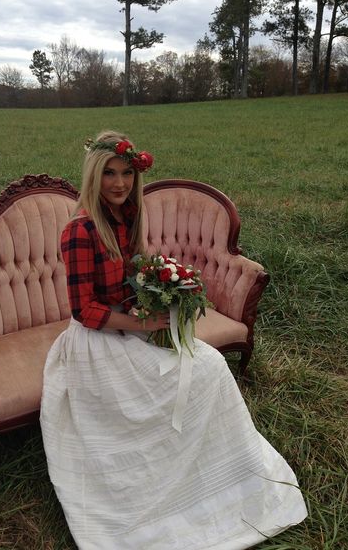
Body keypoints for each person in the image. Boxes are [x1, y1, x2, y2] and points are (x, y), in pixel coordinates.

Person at [40, 131, 307, 550]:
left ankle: (216, 474)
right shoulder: (80, 231)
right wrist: (142, 324)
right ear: (93, 176)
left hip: (132, 324)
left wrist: (162, 290)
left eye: (127, 173)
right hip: (100, 338)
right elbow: (84, 310)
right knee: (165, 384)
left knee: (210, 365)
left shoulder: (128, 217)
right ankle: (155, 486)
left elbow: (134, 278)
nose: (119, 183)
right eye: (109, 173)